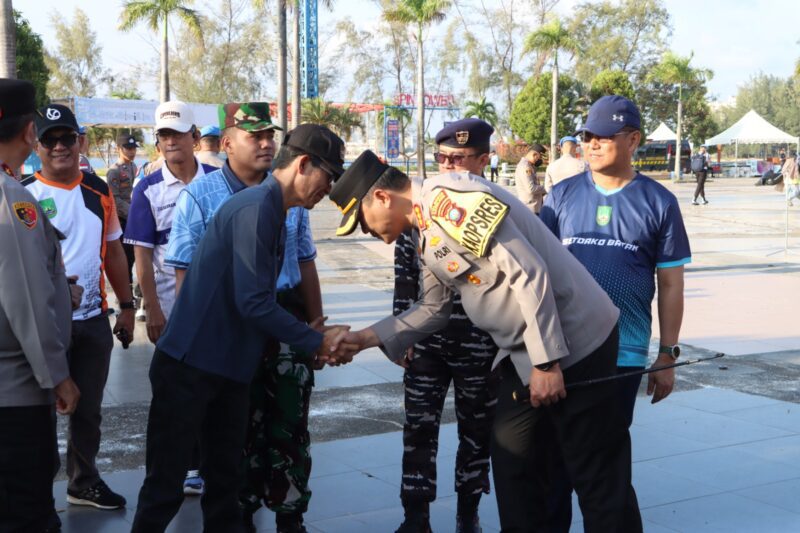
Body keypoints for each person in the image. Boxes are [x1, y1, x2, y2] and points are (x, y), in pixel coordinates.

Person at [328, 150, 642, 532]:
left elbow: (528, 271)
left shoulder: (448, 202)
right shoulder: (423, 227)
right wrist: (363, 339)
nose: (366, 231)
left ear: (382, 197)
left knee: (596, 475)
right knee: (514, 463)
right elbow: (433, 309)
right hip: (524, 354)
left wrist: (546, 363)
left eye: (362, 220)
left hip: (577, 341)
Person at [131, 124, 354, 533]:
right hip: (189, 368)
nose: (329, 189)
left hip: (229, 369)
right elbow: (254, 302)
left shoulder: (272, 208)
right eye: (330, 176)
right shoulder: (256, 208)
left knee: (226, 485)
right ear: (304, 164)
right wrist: (317, 340)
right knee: (164, 488)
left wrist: (313, 336)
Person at [166, 104, 322, 532]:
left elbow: (305, 260)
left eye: (270, 136)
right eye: (255, 136)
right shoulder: (201, 195)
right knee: (234, 430)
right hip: (230, 325)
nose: (266, 144)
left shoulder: (292, 193)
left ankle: (290, 516)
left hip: (285, 317)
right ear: (228, 143)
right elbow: (186, 276)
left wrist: (317, 327)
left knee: (291, 424)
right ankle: (240, 513)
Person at [539, 94, 690, 531]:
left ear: (633, 140)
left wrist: (667, 354)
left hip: (620, 353)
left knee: (603, 465)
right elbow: (535, 272)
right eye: (588, 135)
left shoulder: (659, 201)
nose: (592, 144)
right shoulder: (560, 196)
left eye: (604, 136)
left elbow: (671, 284)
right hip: (560, 352)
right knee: (552, 465)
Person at [22, 103, 135, 510]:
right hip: (44, 326)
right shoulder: (22, 193)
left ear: (80, 141)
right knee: (39, 413)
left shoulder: (99, 190)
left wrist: (127, 306)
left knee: (88, 411)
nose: (59, 147)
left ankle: (83, 482)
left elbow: (114, 250)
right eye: (49, 139)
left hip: (92, 320)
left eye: (66, 138)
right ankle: (35, 494)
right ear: (36, 144)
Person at [390, 118, 498, 533]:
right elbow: (405, 276)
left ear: (484, 161)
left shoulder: (494, 212)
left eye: (459, 159)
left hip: (480, 340)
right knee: (418, 426)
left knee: (477, 428)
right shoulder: (420, 211)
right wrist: (402, 332)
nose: (449, 166)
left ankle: (468, 512)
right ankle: (415, 516)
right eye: (443, 158)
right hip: (426, 340)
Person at [0, 78, 80, 533]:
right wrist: (58, 376)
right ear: (30, 131)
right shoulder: (13, 199)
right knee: (27, 514)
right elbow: (26, 299)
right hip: (15, 396)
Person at [125, 101, 214, 345]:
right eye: (164, 135)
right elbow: (142, 257)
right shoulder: (146, 190)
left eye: (177, 133)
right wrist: (152, 308)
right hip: (170, 306)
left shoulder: (218, 179)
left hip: (218, 299)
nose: (171, 141)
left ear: (195, 137)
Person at [106, 133, 140, 287]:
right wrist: (133, 212)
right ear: (119, 149)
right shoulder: (114, 171)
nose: (132, 152)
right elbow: (114, 198)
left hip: (132, 217)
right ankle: (126, 291)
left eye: (133, 148)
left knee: (133, 255)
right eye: (128, 148)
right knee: (125, 257)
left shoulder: (133, 167)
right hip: (122, 219)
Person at [514, 143, 547, 214]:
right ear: (534, 154)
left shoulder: (530, 166)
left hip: (533, 207)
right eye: (539, 158)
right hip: (530, 208)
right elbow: (531, 188)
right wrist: (547, 188)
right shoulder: (525, 167)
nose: (539, 160)